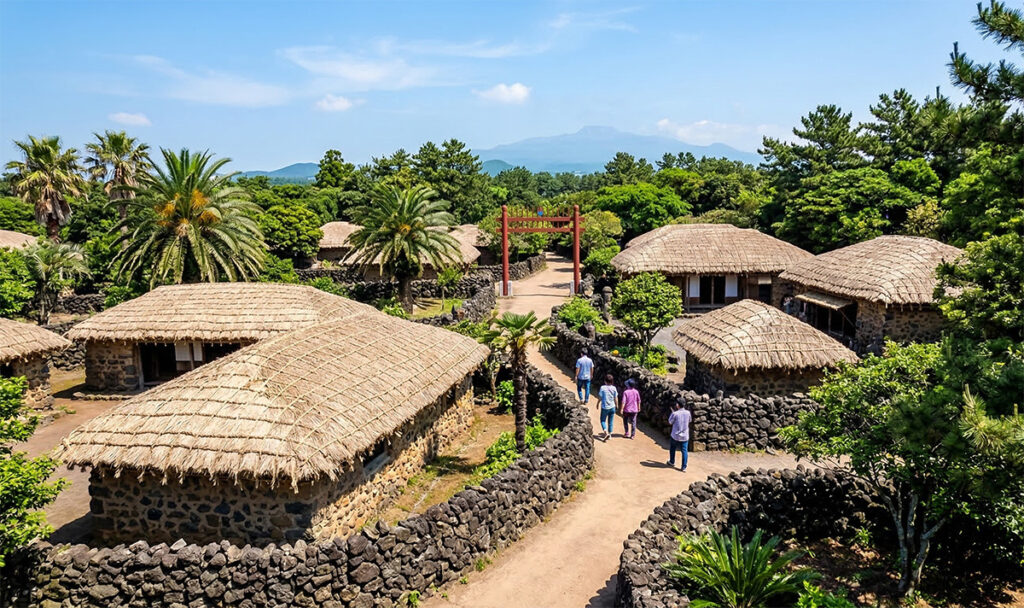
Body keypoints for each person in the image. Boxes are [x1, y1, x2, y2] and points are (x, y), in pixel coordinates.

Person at [667, 400, 691, 471]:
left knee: (672, 448)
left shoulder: (675, 414)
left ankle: (672, 461)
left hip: (675, 435)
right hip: (685, 436)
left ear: (678, 405)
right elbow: (689, 420)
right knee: (684, 451)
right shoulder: (688, 413)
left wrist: (672, 413)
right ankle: (684, 467)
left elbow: (670, 422)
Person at [597, 374, 619, 440]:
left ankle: (605, 432)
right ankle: (610, 434)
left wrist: (597, 403)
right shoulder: (614, 388)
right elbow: (616, 398)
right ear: (612, 381)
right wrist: (617, 405)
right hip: (612, 406)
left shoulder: (602, 388)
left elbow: (600, 397)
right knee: (611, 421)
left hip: (605, 407)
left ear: (605, 381)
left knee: (603, 420)